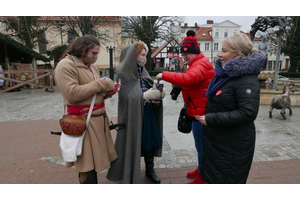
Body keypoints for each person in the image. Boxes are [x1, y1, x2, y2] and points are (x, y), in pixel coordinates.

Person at [196, 33, 267, 184]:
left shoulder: (246, 78)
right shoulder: (227, 75)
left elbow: (248, 113)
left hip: (233, 145)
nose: (219, 54)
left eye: (224, 51)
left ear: (238, 53)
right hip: (220, 141)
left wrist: (211, 119)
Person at [55, 34, 118, 184]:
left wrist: (107, 93)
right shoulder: (65, 65)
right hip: (83, 123)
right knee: (86, 167)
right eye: (94, 53)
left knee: (94, 164)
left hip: (97, 122)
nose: (96, 57)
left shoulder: (92, 67)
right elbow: (72, 93)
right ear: (83, 49)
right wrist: (102, 84)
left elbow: (93, 93)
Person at [156, 30, 215, 184]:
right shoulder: (195, 63)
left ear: (194, 52)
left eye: (185, 54)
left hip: (201, 113)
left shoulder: (200, 63)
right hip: (197, 110)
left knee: (202, 147)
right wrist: (179, 88)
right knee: (199, 145)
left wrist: (164, 75)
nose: (184, 57)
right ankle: (200, 168)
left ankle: (203, 177)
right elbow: (194, 83)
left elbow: (190, 79)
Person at [106, 41, 165, 184]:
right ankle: (130, 171)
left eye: (145, 55)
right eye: (142, 55)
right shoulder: (123, 73)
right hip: (132, 116)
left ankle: (150, 170)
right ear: (133, 55)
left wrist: (158, 93)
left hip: (148, 113)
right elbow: (126, 95)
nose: (144, 58)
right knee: (133, 141)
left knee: (149, 140)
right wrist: (143, 96)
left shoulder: (142, 70)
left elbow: (148, 85)